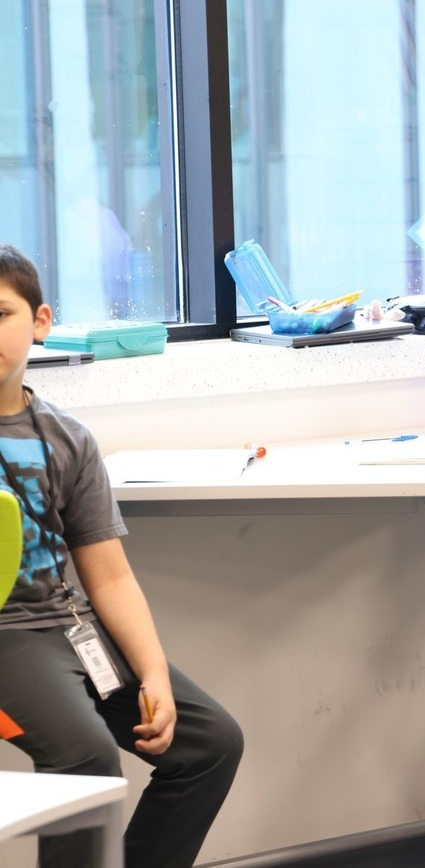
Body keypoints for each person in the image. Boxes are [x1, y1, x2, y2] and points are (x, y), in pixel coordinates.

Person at [0, 242, 243, 868]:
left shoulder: (68, 439)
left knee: (210, 743)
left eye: (1, 314)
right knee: (85, 760)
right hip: (6, 637)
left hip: (70, 627)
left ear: (41, 322)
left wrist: (154, 673)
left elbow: (107, 577)